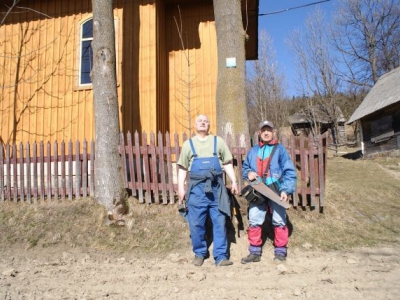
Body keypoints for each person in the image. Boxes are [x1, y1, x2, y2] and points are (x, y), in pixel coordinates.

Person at [177, 114, 239, 267]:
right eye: (200, 121)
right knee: (196, 223)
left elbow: (227, 163)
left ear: (209, 125)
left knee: (220, 222)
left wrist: (234, 180)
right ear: (195, 125)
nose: (203, 123)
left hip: (216, 189)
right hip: (196, 191)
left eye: (206, 121)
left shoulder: (218, 142)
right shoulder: (188, 145)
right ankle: (200, 253)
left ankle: (221, 256)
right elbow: (183, 168)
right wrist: (180, 188)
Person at [241, 120, 297, 263]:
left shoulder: (280, 150)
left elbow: (289, 171)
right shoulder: (253, 151)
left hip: (276, 189)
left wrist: (286, 190)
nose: (266, 133)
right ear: (259, 133)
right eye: (263, 130)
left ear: (273, 132)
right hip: (258, 189)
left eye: (269, 130)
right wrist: (248, 173)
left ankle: (280, 251)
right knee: (254, 219)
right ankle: (254, 252)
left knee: (279, 220)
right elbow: (245, 168)